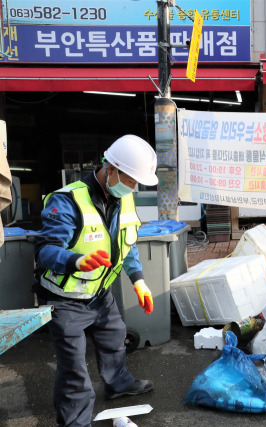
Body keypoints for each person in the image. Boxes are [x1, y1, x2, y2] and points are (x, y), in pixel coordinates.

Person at [34, 135, 158, 427]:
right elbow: (45, 250)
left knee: (115, 338)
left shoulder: (124, 198)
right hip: (64, 300)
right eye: (130, 180)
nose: (134, 188)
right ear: (110, 168)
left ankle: (118, 384)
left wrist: (138, 280)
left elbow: (127, 244)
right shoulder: (67, 201)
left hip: (99, 293)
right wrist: (75, 261)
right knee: (74, 370)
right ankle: (75, 421)